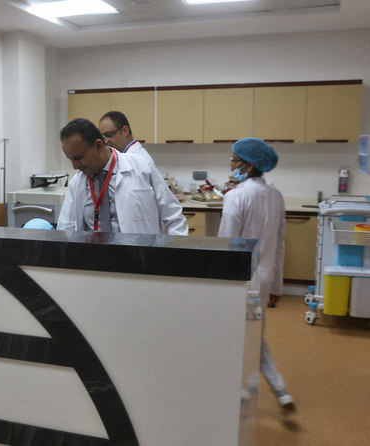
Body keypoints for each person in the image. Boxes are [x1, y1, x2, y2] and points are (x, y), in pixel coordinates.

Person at [217, 137, 295, 412]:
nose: (231, 164)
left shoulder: (235, 196)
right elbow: (280, 244)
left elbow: (226, 244)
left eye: (235, 160)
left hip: (239, 280)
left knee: (237, 337)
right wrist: (277, 284)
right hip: (262, 279)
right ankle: (279, 390)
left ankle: (243, 389)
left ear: (249, 166)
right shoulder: (276, 196)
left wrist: (218, 285)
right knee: (254, 335)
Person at [56, 118, 188, 235]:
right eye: (70, 159)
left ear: (99, 145)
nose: (74, 166)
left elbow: (173, 216)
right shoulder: (77, 182)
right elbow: (66, 227)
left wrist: (174, 256)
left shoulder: (141, 166)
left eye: (78, 157)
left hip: (139, 257)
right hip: (95, 258)